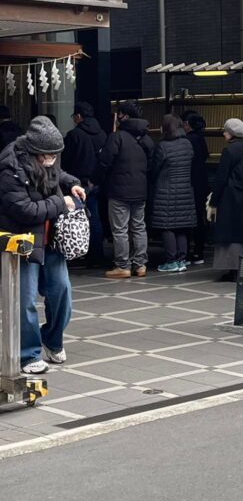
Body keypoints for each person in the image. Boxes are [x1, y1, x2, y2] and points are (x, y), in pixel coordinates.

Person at [0, 116, 86, 373]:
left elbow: (58, 174)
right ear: (34, 150)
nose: (51, 159)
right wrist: (62, 203)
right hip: (22, 242)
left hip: (51, 240)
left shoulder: (48, 161)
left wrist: (73, 184)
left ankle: (51, 339)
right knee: (25, 300)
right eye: (46, 155)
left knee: (62, 293)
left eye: (54, 155)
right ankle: (28, 355)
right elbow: (24, 210)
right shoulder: (10, 167)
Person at [95, 100, 155, 279]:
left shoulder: (117, 137)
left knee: (120, 229)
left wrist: (96, 180)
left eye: (119, 114)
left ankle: (122, 265)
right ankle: (141, 264)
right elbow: (152, 164)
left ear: (125, 116)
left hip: (119, 190)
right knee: (138, 227)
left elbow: (104, 162)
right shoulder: (146, 139)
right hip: (141, 189)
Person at [211, 118, 243, 281]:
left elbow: (221, 178)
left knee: (231, 234)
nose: (224, 133)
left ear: (231, 134)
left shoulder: (229, 151)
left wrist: (214, 201)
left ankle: (233, 268)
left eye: (225, 131)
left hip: (231, 199)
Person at [62, 101, 107, 265]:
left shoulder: (74, 135)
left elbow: (66, 160)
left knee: (75, 218)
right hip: (96, 183)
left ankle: (76, 252)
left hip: (78, 183)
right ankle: (97, 254)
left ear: (79, 116)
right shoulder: (102, 134)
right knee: (95, 217)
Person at [150, 114, 196, 273]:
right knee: (182, 226)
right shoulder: (187, 144)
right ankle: (182, 259)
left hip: (166, 190)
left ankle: (171, 261)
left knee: (167, 226)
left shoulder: (163, 146)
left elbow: (154, 169)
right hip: (185, 190)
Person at [182, 111, 209, 264]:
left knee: (189, 220)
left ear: (188, 124)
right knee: (200, 218)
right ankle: (199, 251)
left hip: (190, 183)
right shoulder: (201, 139)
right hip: (201, 182)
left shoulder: (188, 140)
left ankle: (188, 252)